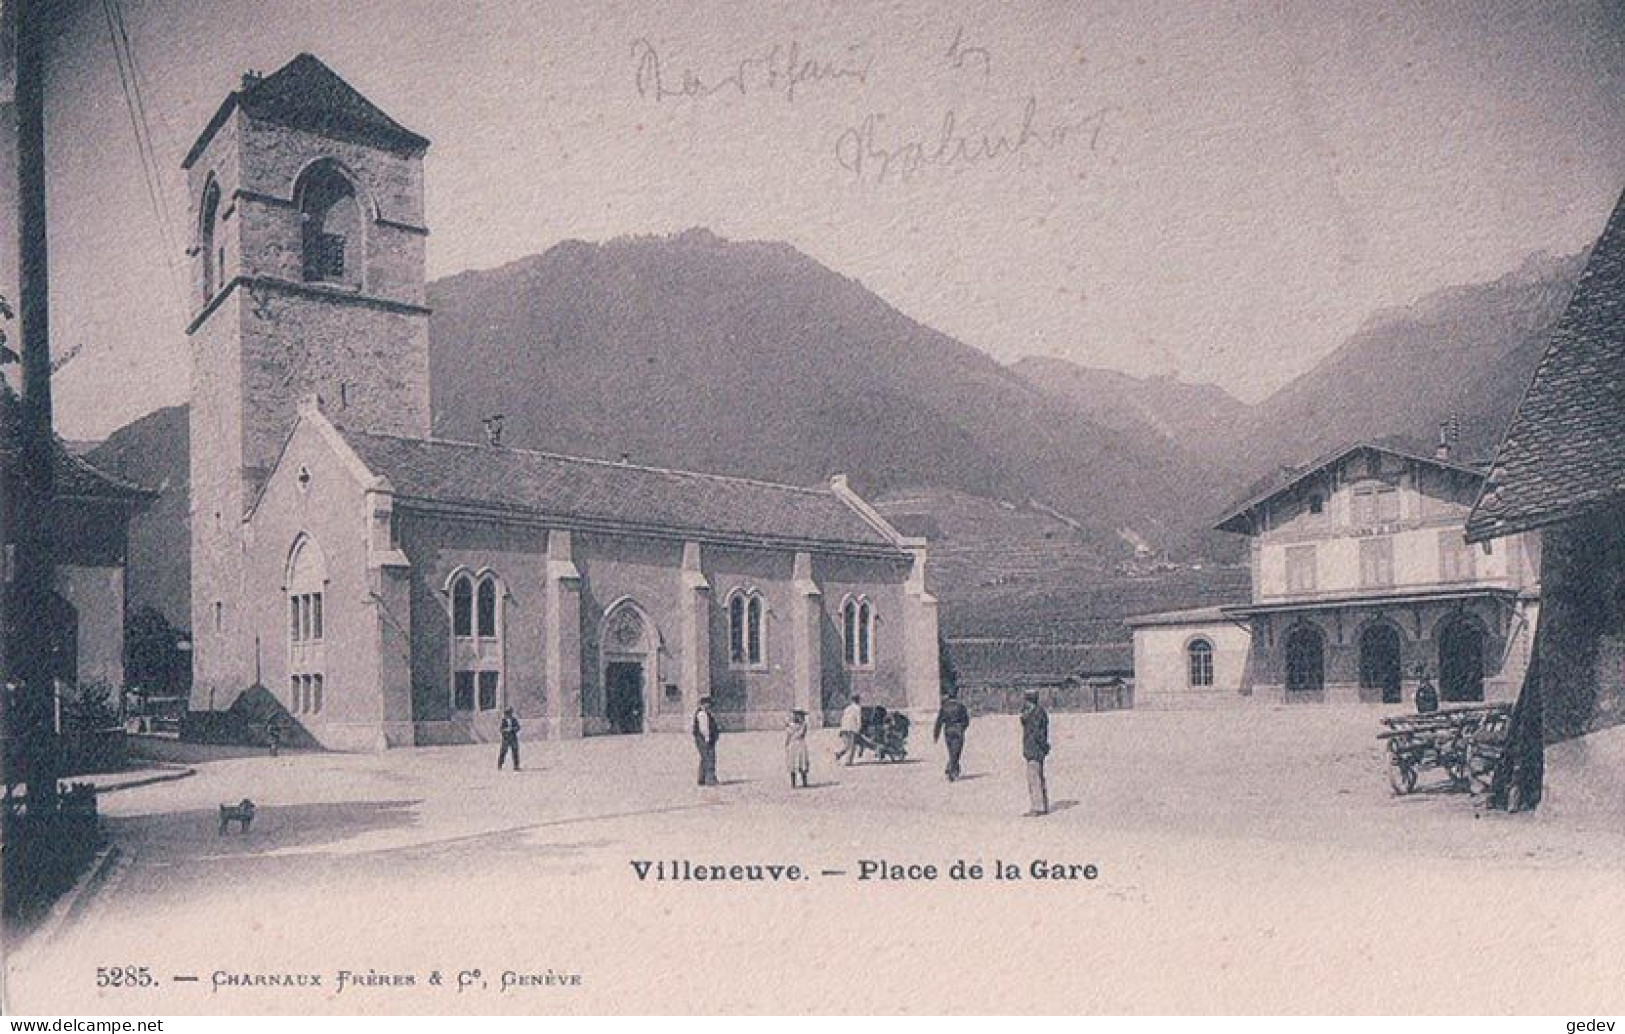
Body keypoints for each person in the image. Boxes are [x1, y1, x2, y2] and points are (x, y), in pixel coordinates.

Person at [1020, 688, 1050, 816]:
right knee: (1036, 776)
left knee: (1034, 777)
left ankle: (1038, 807)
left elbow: (1038, 733)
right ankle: (1041, 804)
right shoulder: (1035, 712)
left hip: (1034, 748)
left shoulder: (1035, 713)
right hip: (1033, 748)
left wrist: (1043, 746)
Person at [933, 689, 971, 781]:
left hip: (948, 730)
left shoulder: (944, 707)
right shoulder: (961, 706)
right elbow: (966, 720)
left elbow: (939, 721)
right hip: (958, 729)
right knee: (956, 751)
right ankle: (951, 769)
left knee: (951, 751)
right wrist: (962, 728)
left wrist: (936, 735)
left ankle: (953, 769)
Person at [692, 696, 720, 785]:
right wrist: (708, 739)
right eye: (708, 704)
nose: (709, 706)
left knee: (705, 758)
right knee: (709, 758)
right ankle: (710, 779)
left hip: (702, 739)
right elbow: (704, 728)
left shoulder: (704, 713)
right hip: (704, 739)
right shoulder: (702, 714)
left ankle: (702, 778)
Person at [834, 694, 863, 765]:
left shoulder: (847, 708)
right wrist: (859, 728)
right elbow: (858, 719)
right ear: (857, 700)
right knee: (852, 746)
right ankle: (849, 761)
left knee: (847, 745)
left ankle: (839, 753)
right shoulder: (857, 708)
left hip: (844, 728)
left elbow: (843, 718)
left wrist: (842, 728)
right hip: (851, 728)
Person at [785, 709, 811, 788]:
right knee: (793, 763)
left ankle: (804, 782)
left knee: (802, 762)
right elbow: (788, 736)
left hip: (800, 744)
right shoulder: (790, 725)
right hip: (793, 744)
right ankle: (793, 783)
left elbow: (801, 734)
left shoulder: (803, 725)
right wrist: (786, 744)